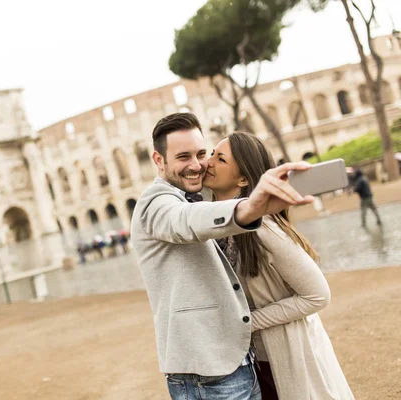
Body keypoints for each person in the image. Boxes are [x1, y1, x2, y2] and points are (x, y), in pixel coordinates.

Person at [130, 113, 314, 400]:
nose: (196, 165)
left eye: (202, 153)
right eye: (182, 157)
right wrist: (248, 207)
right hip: (207, 375)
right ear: (158, 160)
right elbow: (186, 221)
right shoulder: (155, 204)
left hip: (234, 364)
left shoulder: (196, 197)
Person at [202, 132, 354, 399]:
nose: (208, 161)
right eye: (212, 153)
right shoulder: (216, 224)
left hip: (285, 357)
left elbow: (318, 295)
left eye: (220, 158)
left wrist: (248, 322)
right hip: (253, 361)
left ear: (244, 179)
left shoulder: (264, 230)